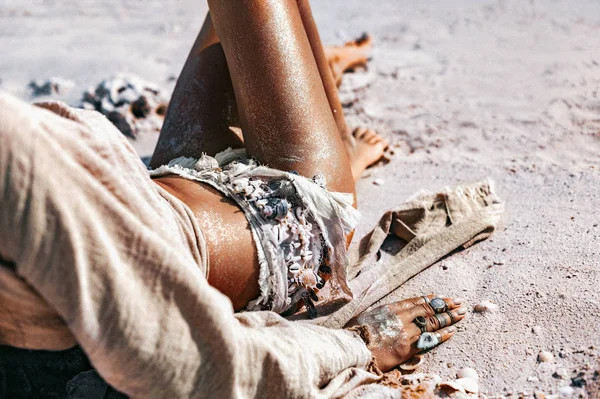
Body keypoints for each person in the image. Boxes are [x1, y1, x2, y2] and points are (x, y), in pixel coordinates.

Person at [0, 1, 467, 397]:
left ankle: (324, 100)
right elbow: (187, 363)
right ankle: (334, 135)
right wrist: (362, 344)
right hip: (282, 223)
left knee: (239, 27)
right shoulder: (22, 185)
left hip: (165, 184)